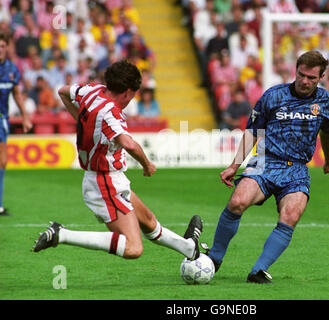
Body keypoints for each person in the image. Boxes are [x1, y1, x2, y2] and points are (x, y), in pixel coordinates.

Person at [32, 60, 203, 263]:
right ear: (127, 92)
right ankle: (62, 235)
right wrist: (147, 165)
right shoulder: (110, 113)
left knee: (148, 221)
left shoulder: (93, 90)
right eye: (133, 95)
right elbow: (128, 144)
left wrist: (82, 121)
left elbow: (63, 91)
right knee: (133, 247)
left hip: (112, 179)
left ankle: (189, 248)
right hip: (104, 182)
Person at [207, 50, 329, 283]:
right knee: (237, 201)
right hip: (266, 161)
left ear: (322, 77)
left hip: (297, 169)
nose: (305, 81)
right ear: (295, 71)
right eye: (301, 75)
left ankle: (258, 270)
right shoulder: (273, 96)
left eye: (311, 78)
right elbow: (253, 131)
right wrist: (234, 165)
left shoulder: (326, 102)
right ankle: (214, 259)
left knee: (291, 215)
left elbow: (328, 132)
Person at [0, 33, 32, 216]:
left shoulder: (12, 69)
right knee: (2, 161)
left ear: (7, 48)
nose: (0, 49)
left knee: (2, 161)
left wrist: (25, 117)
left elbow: (17, 94)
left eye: (3, 46)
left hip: (2, 119)